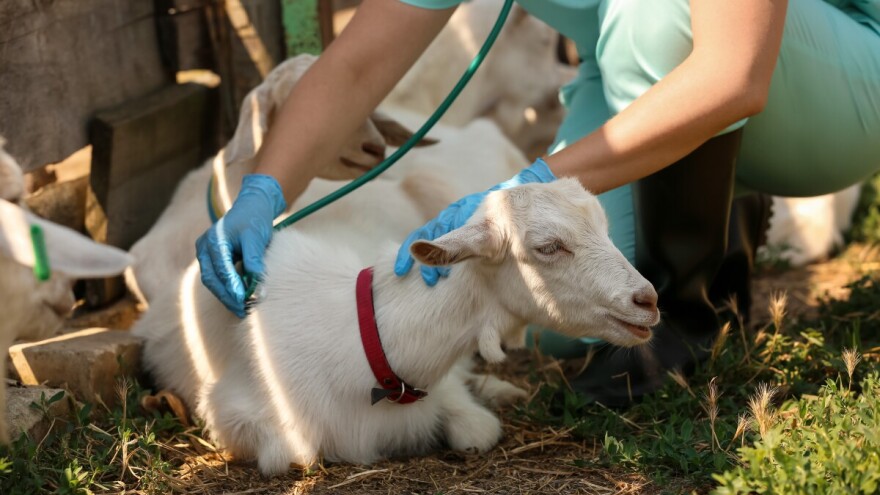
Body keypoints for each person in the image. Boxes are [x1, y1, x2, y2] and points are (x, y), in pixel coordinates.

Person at [195, 0, 880, 405]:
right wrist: (262, 192)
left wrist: (527, 187)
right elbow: (355, 66)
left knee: (656, 14)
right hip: (645, 69)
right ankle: (719, 201)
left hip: (844, 85)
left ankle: (690, 325)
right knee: (571, 312)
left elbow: (733, 73)